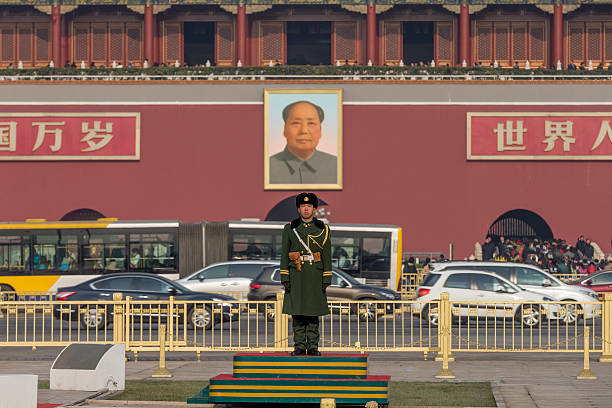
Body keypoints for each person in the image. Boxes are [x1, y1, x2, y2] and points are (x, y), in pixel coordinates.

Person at [280, 192, 332, 356]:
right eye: (303, 206)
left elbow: (327, 255)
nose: (306, 209)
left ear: (315, 208)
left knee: (312, 313)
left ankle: (313, 345)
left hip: (314, 276)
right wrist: (285, 277)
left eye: (309, 206)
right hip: (297, 274)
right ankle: (299, 345)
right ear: (298, 208)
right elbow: (284, 254)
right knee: (298, 313)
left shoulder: (322, 229)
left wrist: (326, 277)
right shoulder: (290, 229)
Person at [269, 101, 338, 184]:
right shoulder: (266, 167)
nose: (304, 131)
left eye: (311, 123)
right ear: (285, 130)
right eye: (296, 123)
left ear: (320, 130)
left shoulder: (338, 166)